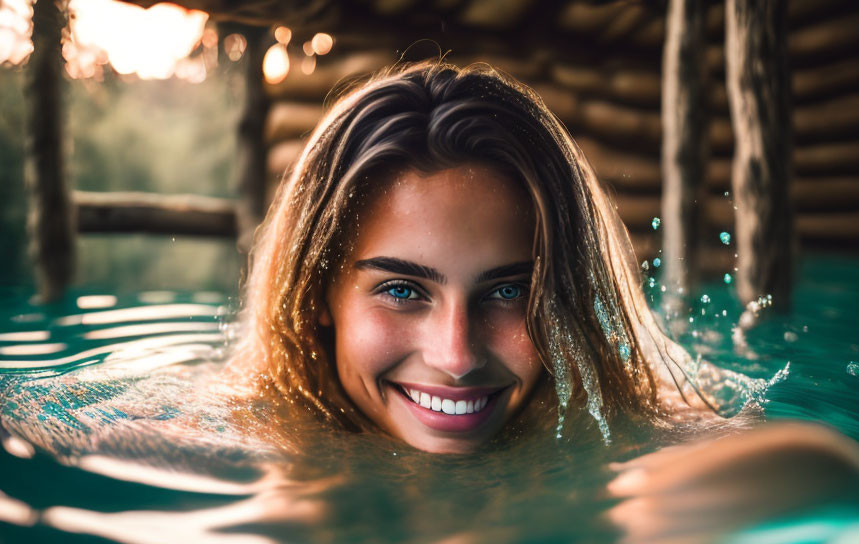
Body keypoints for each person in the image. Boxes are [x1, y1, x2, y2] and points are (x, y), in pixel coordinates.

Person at [226, 59, 733, 455]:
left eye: (508, 291)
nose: (457, 357)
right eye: (401, 290)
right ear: (316, 292)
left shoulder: (626, 434)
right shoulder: (234, 437)